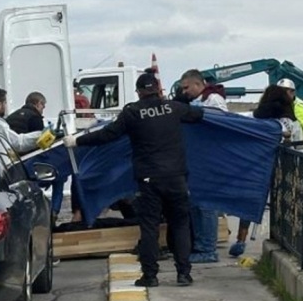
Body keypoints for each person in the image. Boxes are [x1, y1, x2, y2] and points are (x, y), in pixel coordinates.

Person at [63, 72, 205, 287]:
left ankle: (150, 276)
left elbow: (108, 135)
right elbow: (199, 116)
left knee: (149, 227)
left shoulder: (132, 112)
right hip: (176, 177)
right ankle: (183, 274)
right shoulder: (173, 108)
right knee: (180, 225)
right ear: (158, 89)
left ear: (138, 92)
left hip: (149, 180)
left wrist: (77, 140)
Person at [229, 85, 301, 256]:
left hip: (258, 165)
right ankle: (289, 238)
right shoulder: (290, 121)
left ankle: (241, 239)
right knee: (286, 202)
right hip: (286, 167)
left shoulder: (259, 118)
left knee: (249, 202)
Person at [179, 69, 227, 264]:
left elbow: (220, 125)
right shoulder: (194, 102)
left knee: (206, 206)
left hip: (211, 160)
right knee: (195, 204)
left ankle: (208, 248)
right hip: (199, 160)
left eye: (186, 87)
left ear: (198, 85)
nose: (184, 92)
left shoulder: (213, 100)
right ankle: (200, 246)